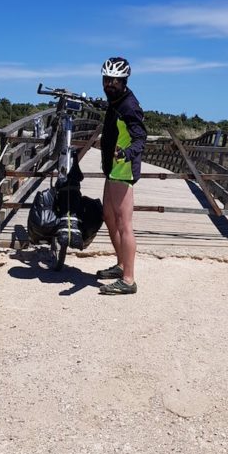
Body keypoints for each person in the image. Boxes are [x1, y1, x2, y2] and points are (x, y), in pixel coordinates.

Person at [97, 57, 146, 295]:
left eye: (113, 80)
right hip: (112, 167)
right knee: (108, 216)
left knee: (124, 224)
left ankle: (128, 279)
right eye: (106, 79)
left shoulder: (129, 106)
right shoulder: (115, 101)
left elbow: (140, 138)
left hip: (123, 168)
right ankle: (120, 265)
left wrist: (127, 153)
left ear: (123, 80)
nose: (109, 84)